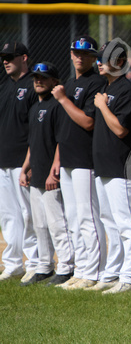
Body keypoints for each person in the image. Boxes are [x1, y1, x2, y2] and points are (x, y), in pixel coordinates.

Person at [52, 35, 108, 290]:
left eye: (85, 53)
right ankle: (82, 269)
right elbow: (64, 127)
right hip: (68, 157)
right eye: (76, 52)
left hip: (86, 158)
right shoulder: (71, 81)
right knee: (74, 217)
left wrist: (63, 99)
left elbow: (88, 121)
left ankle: (94, 271)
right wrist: (58, 158)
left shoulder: (96, 82)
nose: (79, 57)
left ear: (94, 57)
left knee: (88, 216)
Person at [91, 40, 131, 293]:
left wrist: (102, 106)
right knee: (109, 222)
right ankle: (112, 273)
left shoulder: (127, 90)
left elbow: (121, 129)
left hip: (120, 165)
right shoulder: (105, 87)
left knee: (127, 224)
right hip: (103, 165)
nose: (100, 62)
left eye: (106, 58)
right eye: (100, 58)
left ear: (120, 62)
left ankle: (130, 277)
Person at [19, 62, 74, 286]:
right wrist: (25, 167)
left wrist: (56, 169)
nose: (38, 81)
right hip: (37, 173)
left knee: (56, 223)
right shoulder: (34, 108)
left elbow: (61, 139)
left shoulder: (57, 106)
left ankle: (66, 267)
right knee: (39, 223)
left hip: (51, 175)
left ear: (55, 82)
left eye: (43, 77)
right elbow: (33, 143)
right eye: (35, 78)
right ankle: (44, 266)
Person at [0, 41, 40, 283]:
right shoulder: (3, 85)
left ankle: (35, 262)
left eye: (11, 56)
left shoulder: (35, 84)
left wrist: (32, 160)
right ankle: (13, 263)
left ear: (24, 57)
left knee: (28, 214)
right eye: (3, 57)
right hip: (3, 160)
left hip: (23, 161)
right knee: (8, 215)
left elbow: (39, 127)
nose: (5, 60)